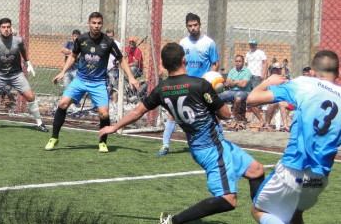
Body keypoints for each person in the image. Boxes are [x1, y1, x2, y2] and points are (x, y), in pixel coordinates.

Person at [99, 42, 264, 224]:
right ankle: (173, 221)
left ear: (164, 64)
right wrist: (216, 94)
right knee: (228, 200)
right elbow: (225, 114)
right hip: (210, 149)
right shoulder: (200, 85)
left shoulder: (162, 89)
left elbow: (137, 111)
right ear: (184, 60)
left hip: (213, 145)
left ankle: (263, 217)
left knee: (256, 170)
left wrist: (114, 127)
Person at [247, 50, 341, 224]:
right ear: (338, 73)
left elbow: (252, 99)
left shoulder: (304, 83)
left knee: (258, 210)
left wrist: (267, 82)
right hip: (318, 178)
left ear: (312, 72)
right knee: (295, 215)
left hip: (293, 169)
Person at [45, 12, 139, 152]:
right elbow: (73, 56)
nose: (96, 26)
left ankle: (102, 142)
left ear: (102, 24)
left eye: (99, 23)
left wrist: (131, 77)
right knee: (63, 103)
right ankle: (54, 138)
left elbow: (121, 59)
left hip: (98, 82)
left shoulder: (108, 42)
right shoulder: (81, 39)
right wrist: (63, 71)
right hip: (80, 79)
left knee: (104, 113)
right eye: (93, 23)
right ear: (89, 23)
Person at [159, 12, 219, 156]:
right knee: (173, 113)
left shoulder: (209, 43)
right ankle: (165, 145)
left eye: (195, 25)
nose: (193, 28)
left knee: (210, 113)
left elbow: (215, 63)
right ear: (186, 27)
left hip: (200, 86)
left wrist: (209, 79)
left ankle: (218, 141)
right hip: (184, 84)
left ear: (200, 25)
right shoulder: (183, 43)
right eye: (190, 26)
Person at [218, 54, 252, 125]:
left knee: (238, 97)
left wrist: (233, 82)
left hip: (244, 91)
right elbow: (227, 83)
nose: (237, 63)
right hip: (232, 91)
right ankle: (222, 116)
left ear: (243, 62)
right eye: (236, 61)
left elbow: (243, 85)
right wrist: (238, 82)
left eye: (239, 61)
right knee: (219, 96)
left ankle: (233, 117)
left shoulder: (247, 71)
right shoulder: (232, 71)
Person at [262, 62, 290, 132]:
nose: (278, 71)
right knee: (272, 103)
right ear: (272, 70)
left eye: (279, 69)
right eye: (276, 69)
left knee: (279, 102)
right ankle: (267, 124)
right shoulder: (267, 80)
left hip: (282, 100)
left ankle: (284, 126)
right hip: (270, 99)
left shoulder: (284, 80)